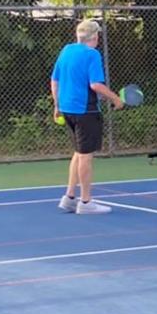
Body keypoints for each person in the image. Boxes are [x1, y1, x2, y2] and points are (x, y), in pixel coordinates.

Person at [51, 19, 124, 214]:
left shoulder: (66, 50)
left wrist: (57, 105)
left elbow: (55, 80)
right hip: (85, 110)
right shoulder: (92, 54)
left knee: (78, 152)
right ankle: (85, 202)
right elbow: (96, 85)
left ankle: (69, 197)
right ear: (94, 36)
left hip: (67, 109)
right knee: (85, 156)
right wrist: (116, 99)